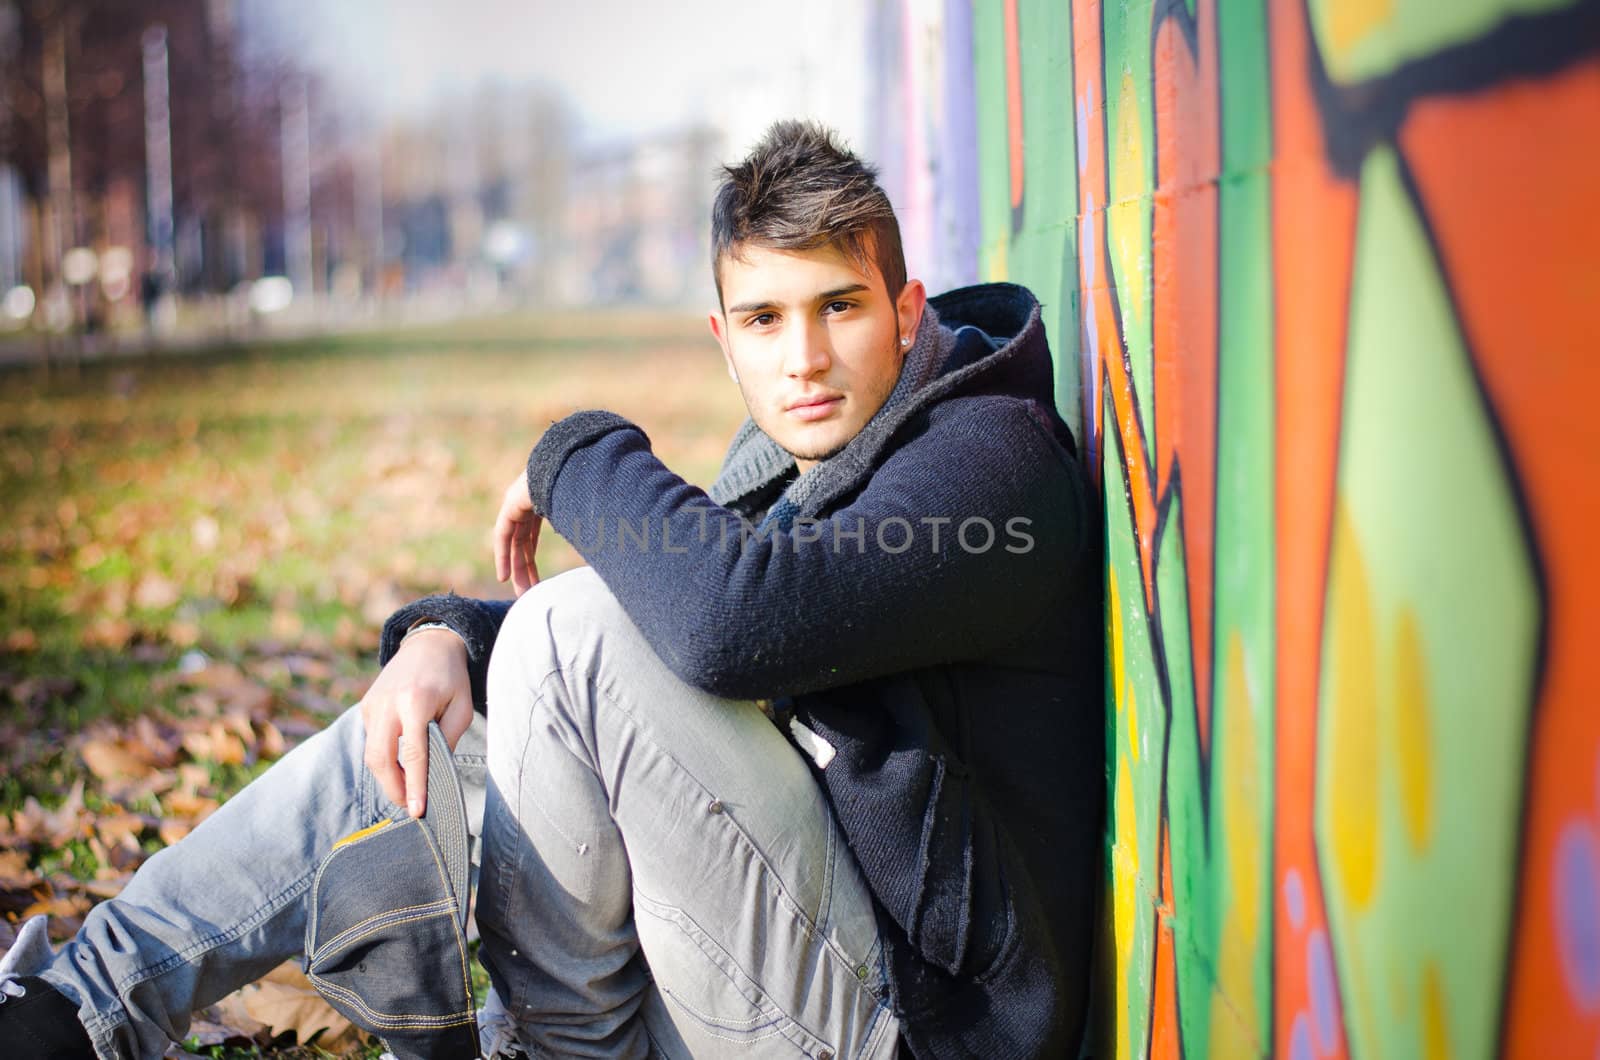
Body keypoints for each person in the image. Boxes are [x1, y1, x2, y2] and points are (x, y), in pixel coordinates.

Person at [0, 120, 1103, 1059]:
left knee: (569, 632)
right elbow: (682, 630)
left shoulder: (987, 463)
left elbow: (734, 621)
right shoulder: (819, 449)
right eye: (765, 321)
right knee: (417, 716)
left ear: (906, 311)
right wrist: (446, 641)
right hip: (794, 944)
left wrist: (564, 453)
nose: (802, 357)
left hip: (908, 1025)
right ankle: (75, 1008)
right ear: (725, 341)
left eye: (839, 308)